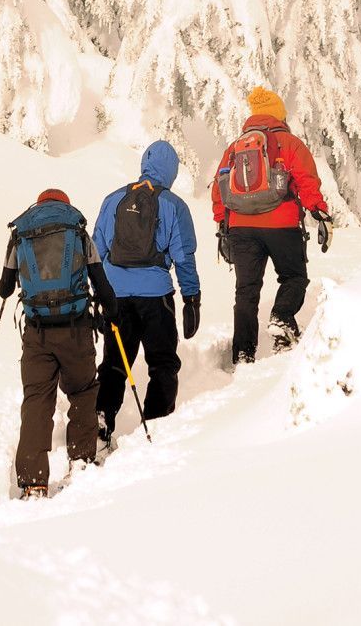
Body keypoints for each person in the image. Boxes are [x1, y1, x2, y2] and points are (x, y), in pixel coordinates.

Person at [0, 187, 119, 500]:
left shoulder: (22, 233)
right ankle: (80, 461)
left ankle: (34, 482)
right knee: (82, 391)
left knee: (37, 400)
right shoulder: (77, 231)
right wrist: (111, 310)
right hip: (75, 330)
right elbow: (100, 282)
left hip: (37, 333)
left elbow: (4, 288)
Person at [211, 86, 332, 365]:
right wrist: (320, 213)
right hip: (281, 224)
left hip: (241, 227)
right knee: (294, 278)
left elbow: (218, 190)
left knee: (246, 290)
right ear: (279, 115)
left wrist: (222, 224)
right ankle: (282, 320)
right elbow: (306, 181)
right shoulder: (289, 143)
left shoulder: (235, 148)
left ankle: (243, 353)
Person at [93, 142, 200, 447]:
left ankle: (101, 423)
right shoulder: (173, 205)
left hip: (116, 296)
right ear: (172, 171)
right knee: (163, 362)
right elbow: (183, 256)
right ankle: (157, 424)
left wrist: (99, 295)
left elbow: (96, 250)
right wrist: (192, 298)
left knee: (114, 361)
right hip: (156, 298)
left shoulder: (114, 200)